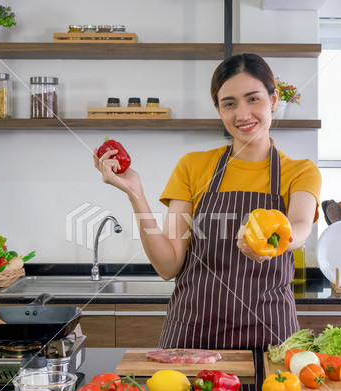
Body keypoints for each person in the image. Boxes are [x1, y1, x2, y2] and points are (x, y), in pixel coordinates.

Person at [93, 53, 321, 350]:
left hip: (269, 333)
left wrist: (269, 239)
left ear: (273, 99)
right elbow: (168, 266)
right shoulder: (193, 166)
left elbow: (300, 227)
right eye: (229, 103)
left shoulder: (300, 171)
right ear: (218, 109)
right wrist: (134, 191)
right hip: (192, 333)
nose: (242, 114)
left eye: (253, 99)